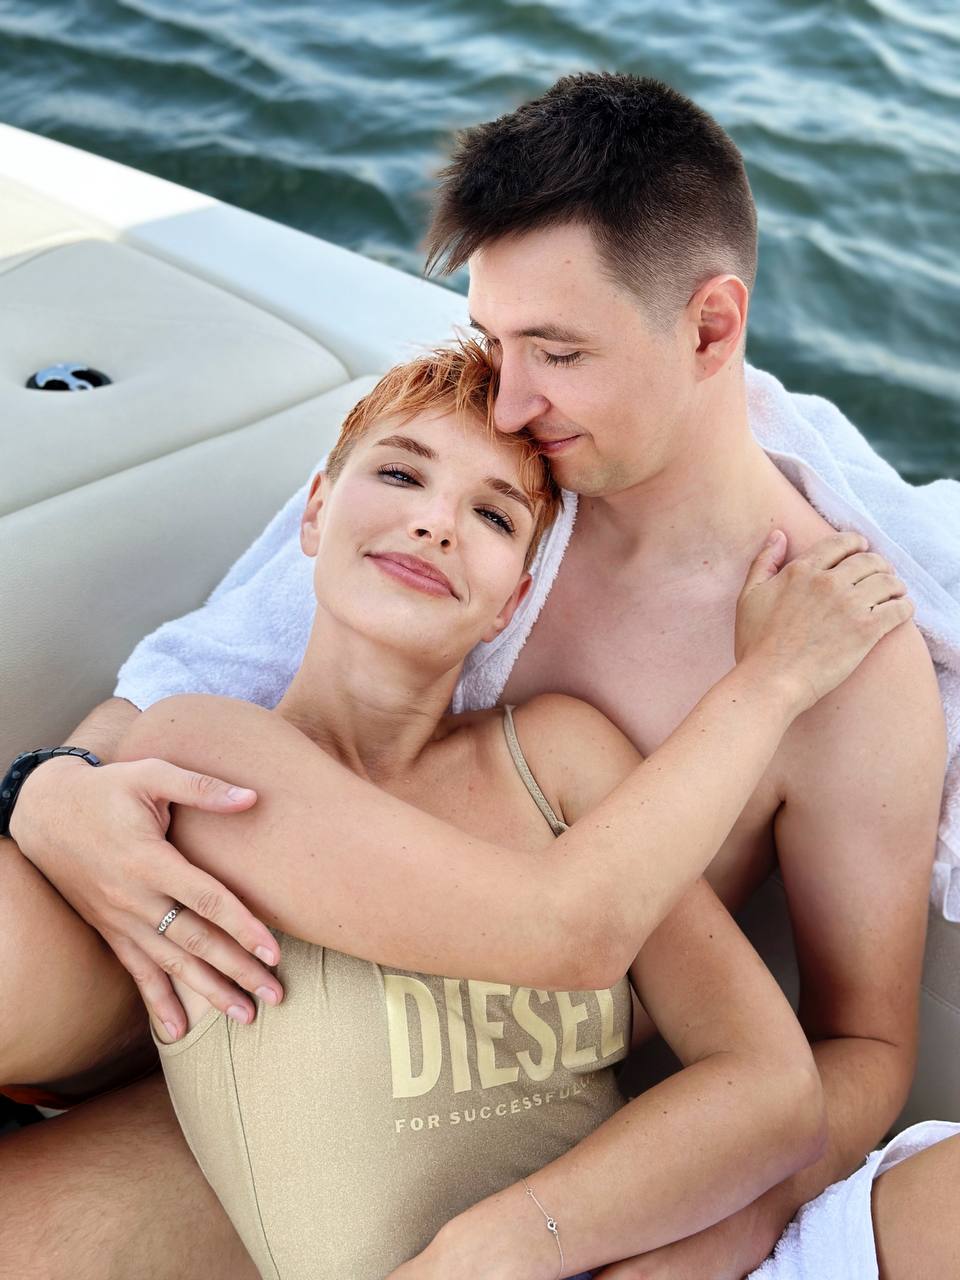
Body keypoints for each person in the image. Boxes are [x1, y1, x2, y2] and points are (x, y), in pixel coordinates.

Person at [1, 72, 957, 1279]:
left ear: (712, 328)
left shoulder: (835, 660)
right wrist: (53, 786)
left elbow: (859, 1049)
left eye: (557, 350)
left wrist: (647, 1248)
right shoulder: (464, 472)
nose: (511, 395)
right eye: (495, 338)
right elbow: (192, 677)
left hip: (438, 1101)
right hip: (200, 939)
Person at [119, 340, 840, 1278]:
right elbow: (566, 931)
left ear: (513, 601)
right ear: (316, 510)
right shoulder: (197, 751)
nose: (434, 524)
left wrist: (508, 1242)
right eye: (400, 474)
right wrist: (771, 680)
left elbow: (777, 1090)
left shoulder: (558, 755)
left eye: (493, 516)